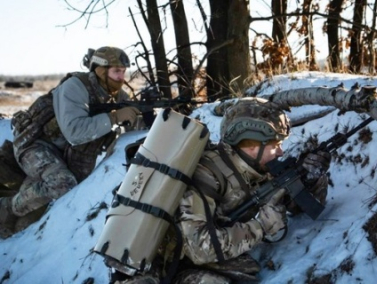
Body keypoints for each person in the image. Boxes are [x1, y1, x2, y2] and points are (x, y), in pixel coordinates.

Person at [110, 97, 331, 284]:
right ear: (251, 144)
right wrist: (260, 226)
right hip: (160, 269)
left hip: (189, 261)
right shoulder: (206, 174)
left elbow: (297, 206)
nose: (281, 152)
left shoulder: (254, 167)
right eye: (275, 145)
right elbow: (199, 247)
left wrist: (311, 178)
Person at [0, 46, 141, 239]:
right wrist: (114, 118)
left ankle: (14, 230)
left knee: (29, 221)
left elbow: (133, 126)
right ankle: (6, 207)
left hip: (63, 154)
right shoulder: (75, 86)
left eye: (123, 72)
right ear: (100, 70)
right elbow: (74, 132)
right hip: (34, 145)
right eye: (116, 71)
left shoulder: (116, 95)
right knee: (63, 183)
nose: (121, 77)